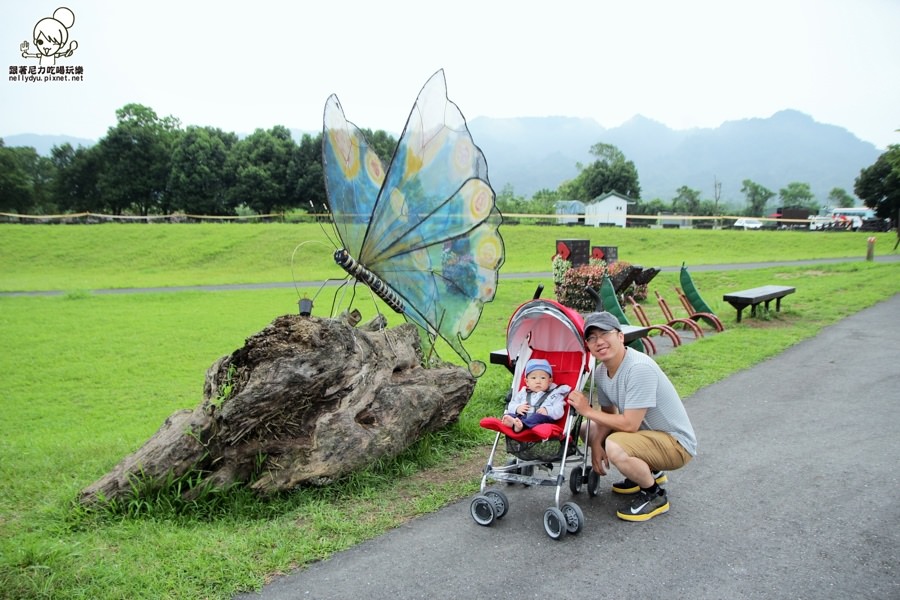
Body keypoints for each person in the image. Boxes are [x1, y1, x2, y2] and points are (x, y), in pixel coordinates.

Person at [567, 312, 697, 522]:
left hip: (676, 445)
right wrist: (596, 445)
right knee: (587, 430)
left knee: (615, 446)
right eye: (591, 338)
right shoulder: (601, 372)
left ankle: (655, 494)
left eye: (604, 334)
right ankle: (648, 471)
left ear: (620, 336)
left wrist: (588, 411)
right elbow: (609, 416)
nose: (598, 342)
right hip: (649, 436)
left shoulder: (638, 368)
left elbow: (629, 424)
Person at [500, 358, 570, 433]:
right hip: (523, 417)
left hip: (542, 421)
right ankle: (515, 423)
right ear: (527, 381)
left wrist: (547, 410)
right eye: (533, 378)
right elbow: (511, 404)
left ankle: (520, 426)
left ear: (550, 381)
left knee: (537, 417)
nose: (538, 381)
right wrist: (517, 408)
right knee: (510, 414)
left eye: (543, 378)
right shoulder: (523, 393)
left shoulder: (555, 394)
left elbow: (559, 411)